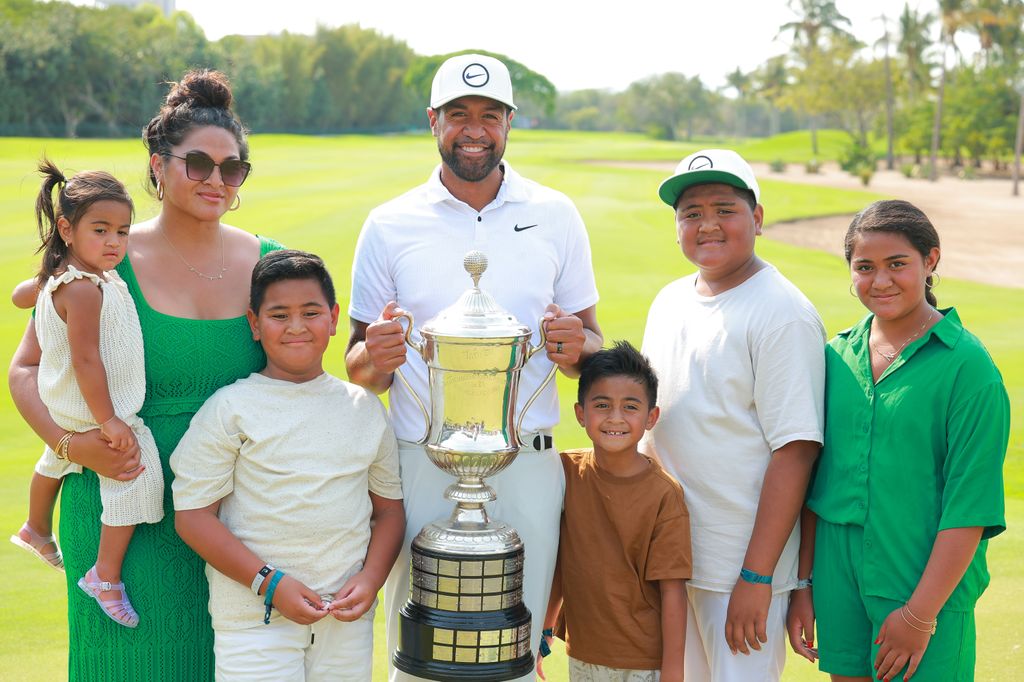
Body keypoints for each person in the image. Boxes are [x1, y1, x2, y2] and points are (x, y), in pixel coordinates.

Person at [8, 69, 282, 680]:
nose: (216, 180)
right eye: (198, 164)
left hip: (238, 518)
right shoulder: (101, 259)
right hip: (121, 508)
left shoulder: (269, 262)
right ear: (158, 165)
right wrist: (70, 444)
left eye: (232, 168)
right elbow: (26, 367)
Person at [346, 53, 602, 681]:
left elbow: (589, 347)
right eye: (458, 114)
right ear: (433, 120)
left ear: (509, 123)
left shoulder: (557, 213)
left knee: (516, 650)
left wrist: (579, 349)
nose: (474, 129)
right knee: (419, 650)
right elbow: (358, 364)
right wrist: (372, 358)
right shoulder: (389, 223)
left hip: (529, 462)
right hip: (420, 462)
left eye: (490, 115)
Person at [794, 200, 1009, 682]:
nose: (881, 281)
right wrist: (804, 585)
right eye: (864, 267)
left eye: (897, 264)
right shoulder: (834, 356)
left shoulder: (969, 369)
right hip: (839, 586)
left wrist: (919, 615)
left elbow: (969, 507)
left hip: (923, 590)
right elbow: (814, 486)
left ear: (930, 260)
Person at [171, 250, 405, 681]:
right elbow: (192, 517)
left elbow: (389, 511)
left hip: (345, 618)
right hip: (253, 619)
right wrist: (270, 584)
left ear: (334, 319)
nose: (297, 327)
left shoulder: (365, 409)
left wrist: (371, 580)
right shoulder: (231, 408)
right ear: (255, 324)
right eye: (279, 315)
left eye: (311, 312)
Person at [640, 149, 825, 681]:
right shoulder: (670, 300)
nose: (707, 225)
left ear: (758, 218)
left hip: (737, 570)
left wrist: (757, 576)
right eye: (691, 213)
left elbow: (796, 451)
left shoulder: (781, 312)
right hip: (674, 558)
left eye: (725, 208)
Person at [10, 160, 163, 630]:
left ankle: (35, 527)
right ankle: (105, 574)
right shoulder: (83, 290)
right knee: (137, 475)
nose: (114, 241)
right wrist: (112, 420)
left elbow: (21, 296)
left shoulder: (72, 275)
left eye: (122, 231)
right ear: (66, 228)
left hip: (68, 408)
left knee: (52, 460)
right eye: (100, 230)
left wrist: (42, 283)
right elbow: (86, 360)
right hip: (95, 411)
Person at [537, 341, 691, 682]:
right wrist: (544, 632)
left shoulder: (664, 496)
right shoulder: (565, 473)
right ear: (580, 413)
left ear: (651, 417)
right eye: (602, 405)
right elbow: (561, 561)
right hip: (582, 654)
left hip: (643, 662)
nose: (615, 418)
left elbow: (673, 592)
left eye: (630, 407)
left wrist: (673, 673)